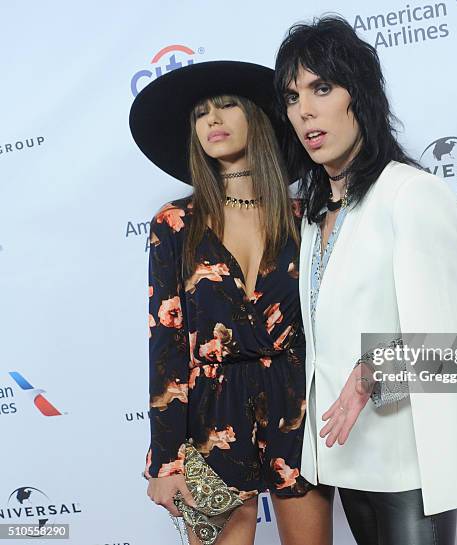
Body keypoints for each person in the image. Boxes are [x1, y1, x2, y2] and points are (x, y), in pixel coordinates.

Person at [274, 16, 457, 545]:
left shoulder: (412, 194)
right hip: (347, 457)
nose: (305, 110)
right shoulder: (311, 213)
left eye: (322, 88)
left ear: (360, 94)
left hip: (411, 460)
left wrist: (374, 368)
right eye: (292, 95)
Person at [129, 61, 333, 545]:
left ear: (257, 117)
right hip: (210, 412)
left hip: (296, 404)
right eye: (200, 114)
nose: (212, 120)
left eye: (226, 107)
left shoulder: (307, 218)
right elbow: (167, 345)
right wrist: (166, 459)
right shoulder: (175, 223)